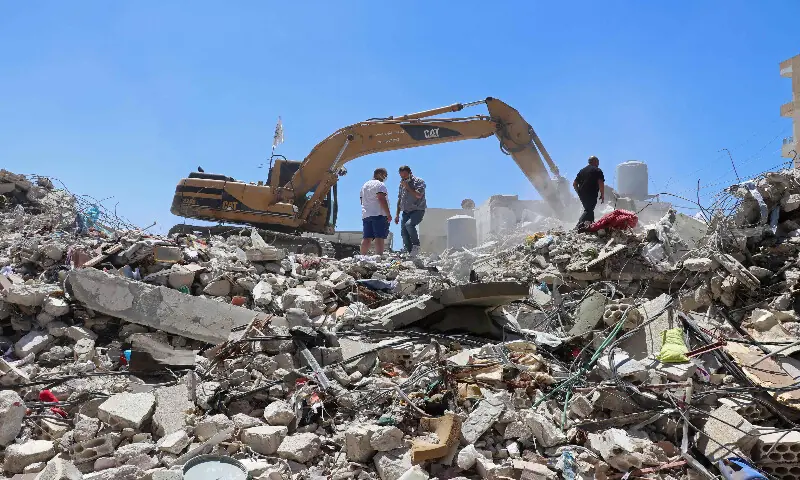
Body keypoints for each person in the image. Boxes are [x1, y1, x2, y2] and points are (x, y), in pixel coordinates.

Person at [394, 165, 426, 255]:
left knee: (409, 225)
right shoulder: (401, 185)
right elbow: (400, 200)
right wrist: (397, 214)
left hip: (418, 210)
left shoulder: (418, 182)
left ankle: (416, 245)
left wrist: (407, 187)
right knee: (404, 233)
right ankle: (410, 253)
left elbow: (418, 195)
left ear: (410, 173)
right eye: (401, 176)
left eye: (404, 175)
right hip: (406, 212)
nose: (403, 178)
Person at [360, 168, 392, 255]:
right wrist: (388, 214)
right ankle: (379, 257)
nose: (385, 177)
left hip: (366, 215)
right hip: (379, 214)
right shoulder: (380, 185)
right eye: (385, 175)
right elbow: (381, 198)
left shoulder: (365, 185)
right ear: (379, 174)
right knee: (379, 237)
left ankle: (362, 256)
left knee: (367, 237)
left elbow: (361, 200)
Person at [573, 155, 605, 229]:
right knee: (589, 210)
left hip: (582, 194)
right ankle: (577, 226)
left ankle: (590, 225)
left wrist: (579, 193)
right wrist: (602, 194)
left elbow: (574, 184)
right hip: (591, 193)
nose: (598, 164)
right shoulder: (597, 170)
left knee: (589, 209)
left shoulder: (581, 171)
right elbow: (600, 182)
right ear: (595, 162)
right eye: (598, 162)